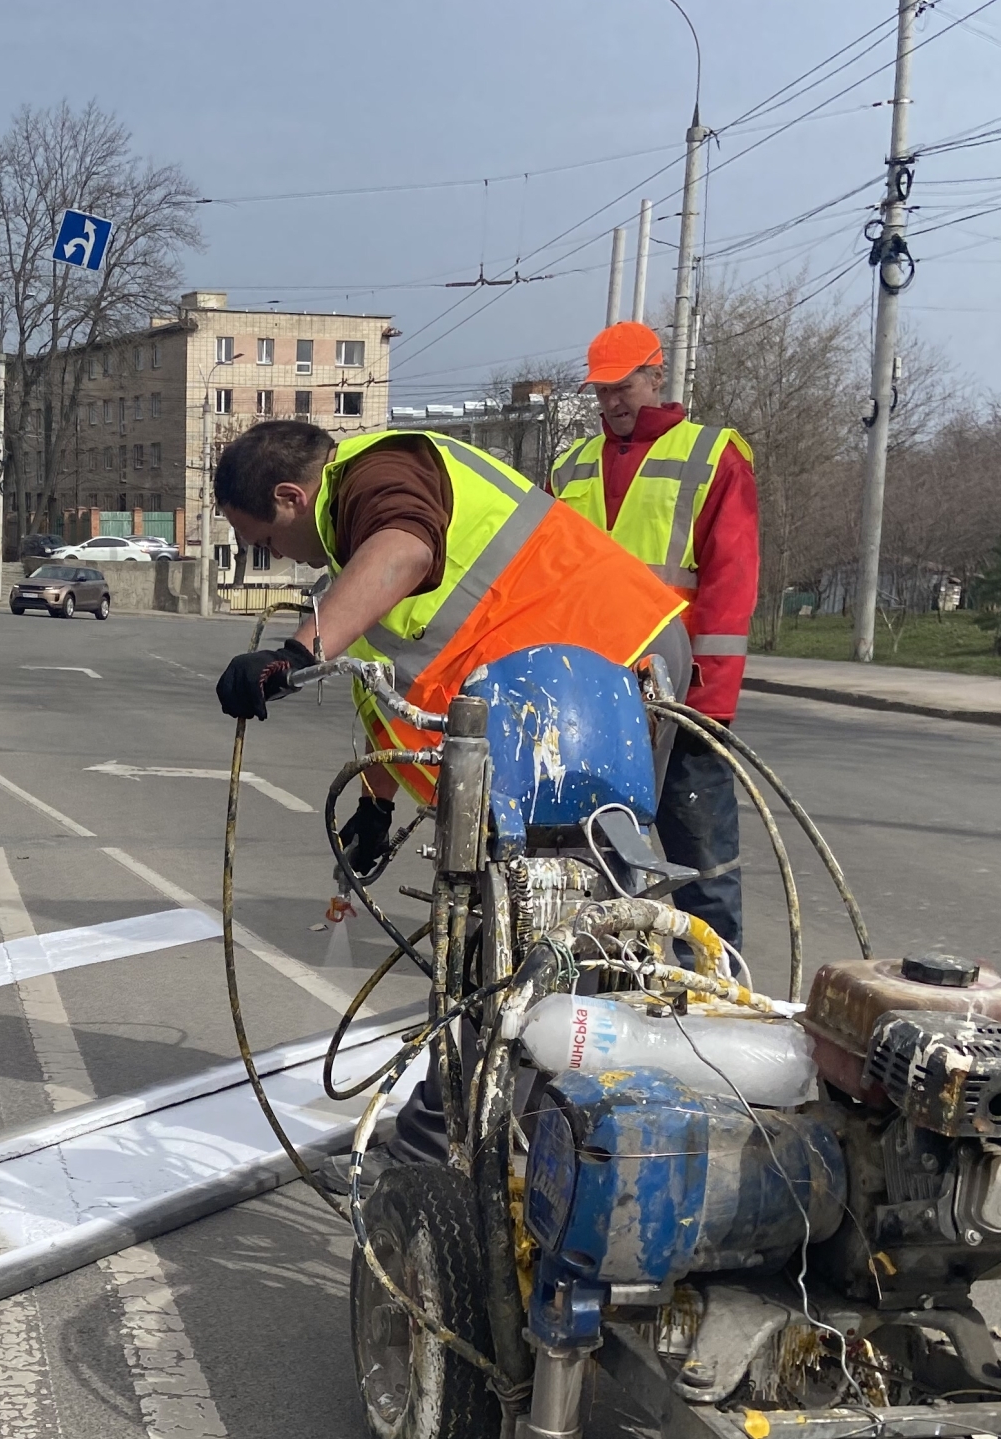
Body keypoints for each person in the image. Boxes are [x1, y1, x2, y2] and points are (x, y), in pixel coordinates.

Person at [210, 420, 693, 1159]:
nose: (273, 557)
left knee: (547, 925)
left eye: (265, 538)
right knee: (514, 923)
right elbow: (385, 689)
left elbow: (404, 550)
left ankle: (500, 1139)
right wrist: (375, 805)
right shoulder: (351, 559)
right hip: (546, 712)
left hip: (599, 677)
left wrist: (295, 655)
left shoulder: (379, 475)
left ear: (289, 495)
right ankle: (491, 1133)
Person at [546, 321, 760, 950]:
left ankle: (711, 993)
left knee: (702, 865)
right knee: (598, 865)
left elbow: (730, 580)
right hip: (596, 699)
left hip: (680, 698)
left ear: (656, 374)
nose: (612, 401)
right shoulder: (572, 466)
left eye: (623, 385)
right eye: (601, 391)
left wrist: (712, 703)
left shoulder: (712, 455)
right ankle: (611, 987)